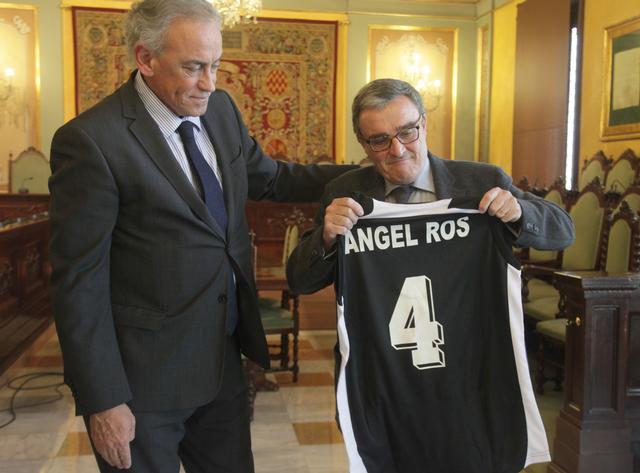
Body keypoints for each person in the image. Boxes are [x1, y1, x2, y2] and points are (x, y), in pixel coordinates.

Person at [48, 1, 354, 472]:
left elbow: (274, 179)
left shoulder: (221, 111)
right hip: (143, 383)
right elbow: (78, 283)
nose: (209, 83)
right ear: (145, 58)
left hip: (222, 363)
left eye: (215, 65)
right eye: (193, 67)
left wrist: (369, 173)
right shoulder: (92, 141)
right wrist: (103, 400)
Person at [286, 78, 575, 472]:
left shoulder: (481, 181)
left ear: (424, 123)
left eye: (407, 131)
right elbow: (300, 280)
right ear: (363, 143)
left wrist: (520, 212)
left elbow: (563, 231)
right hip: (382, 383)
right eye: (379, 140)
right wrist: (326, 236)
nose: (397, 149)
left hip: (471, 375)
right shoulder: (344, 192)